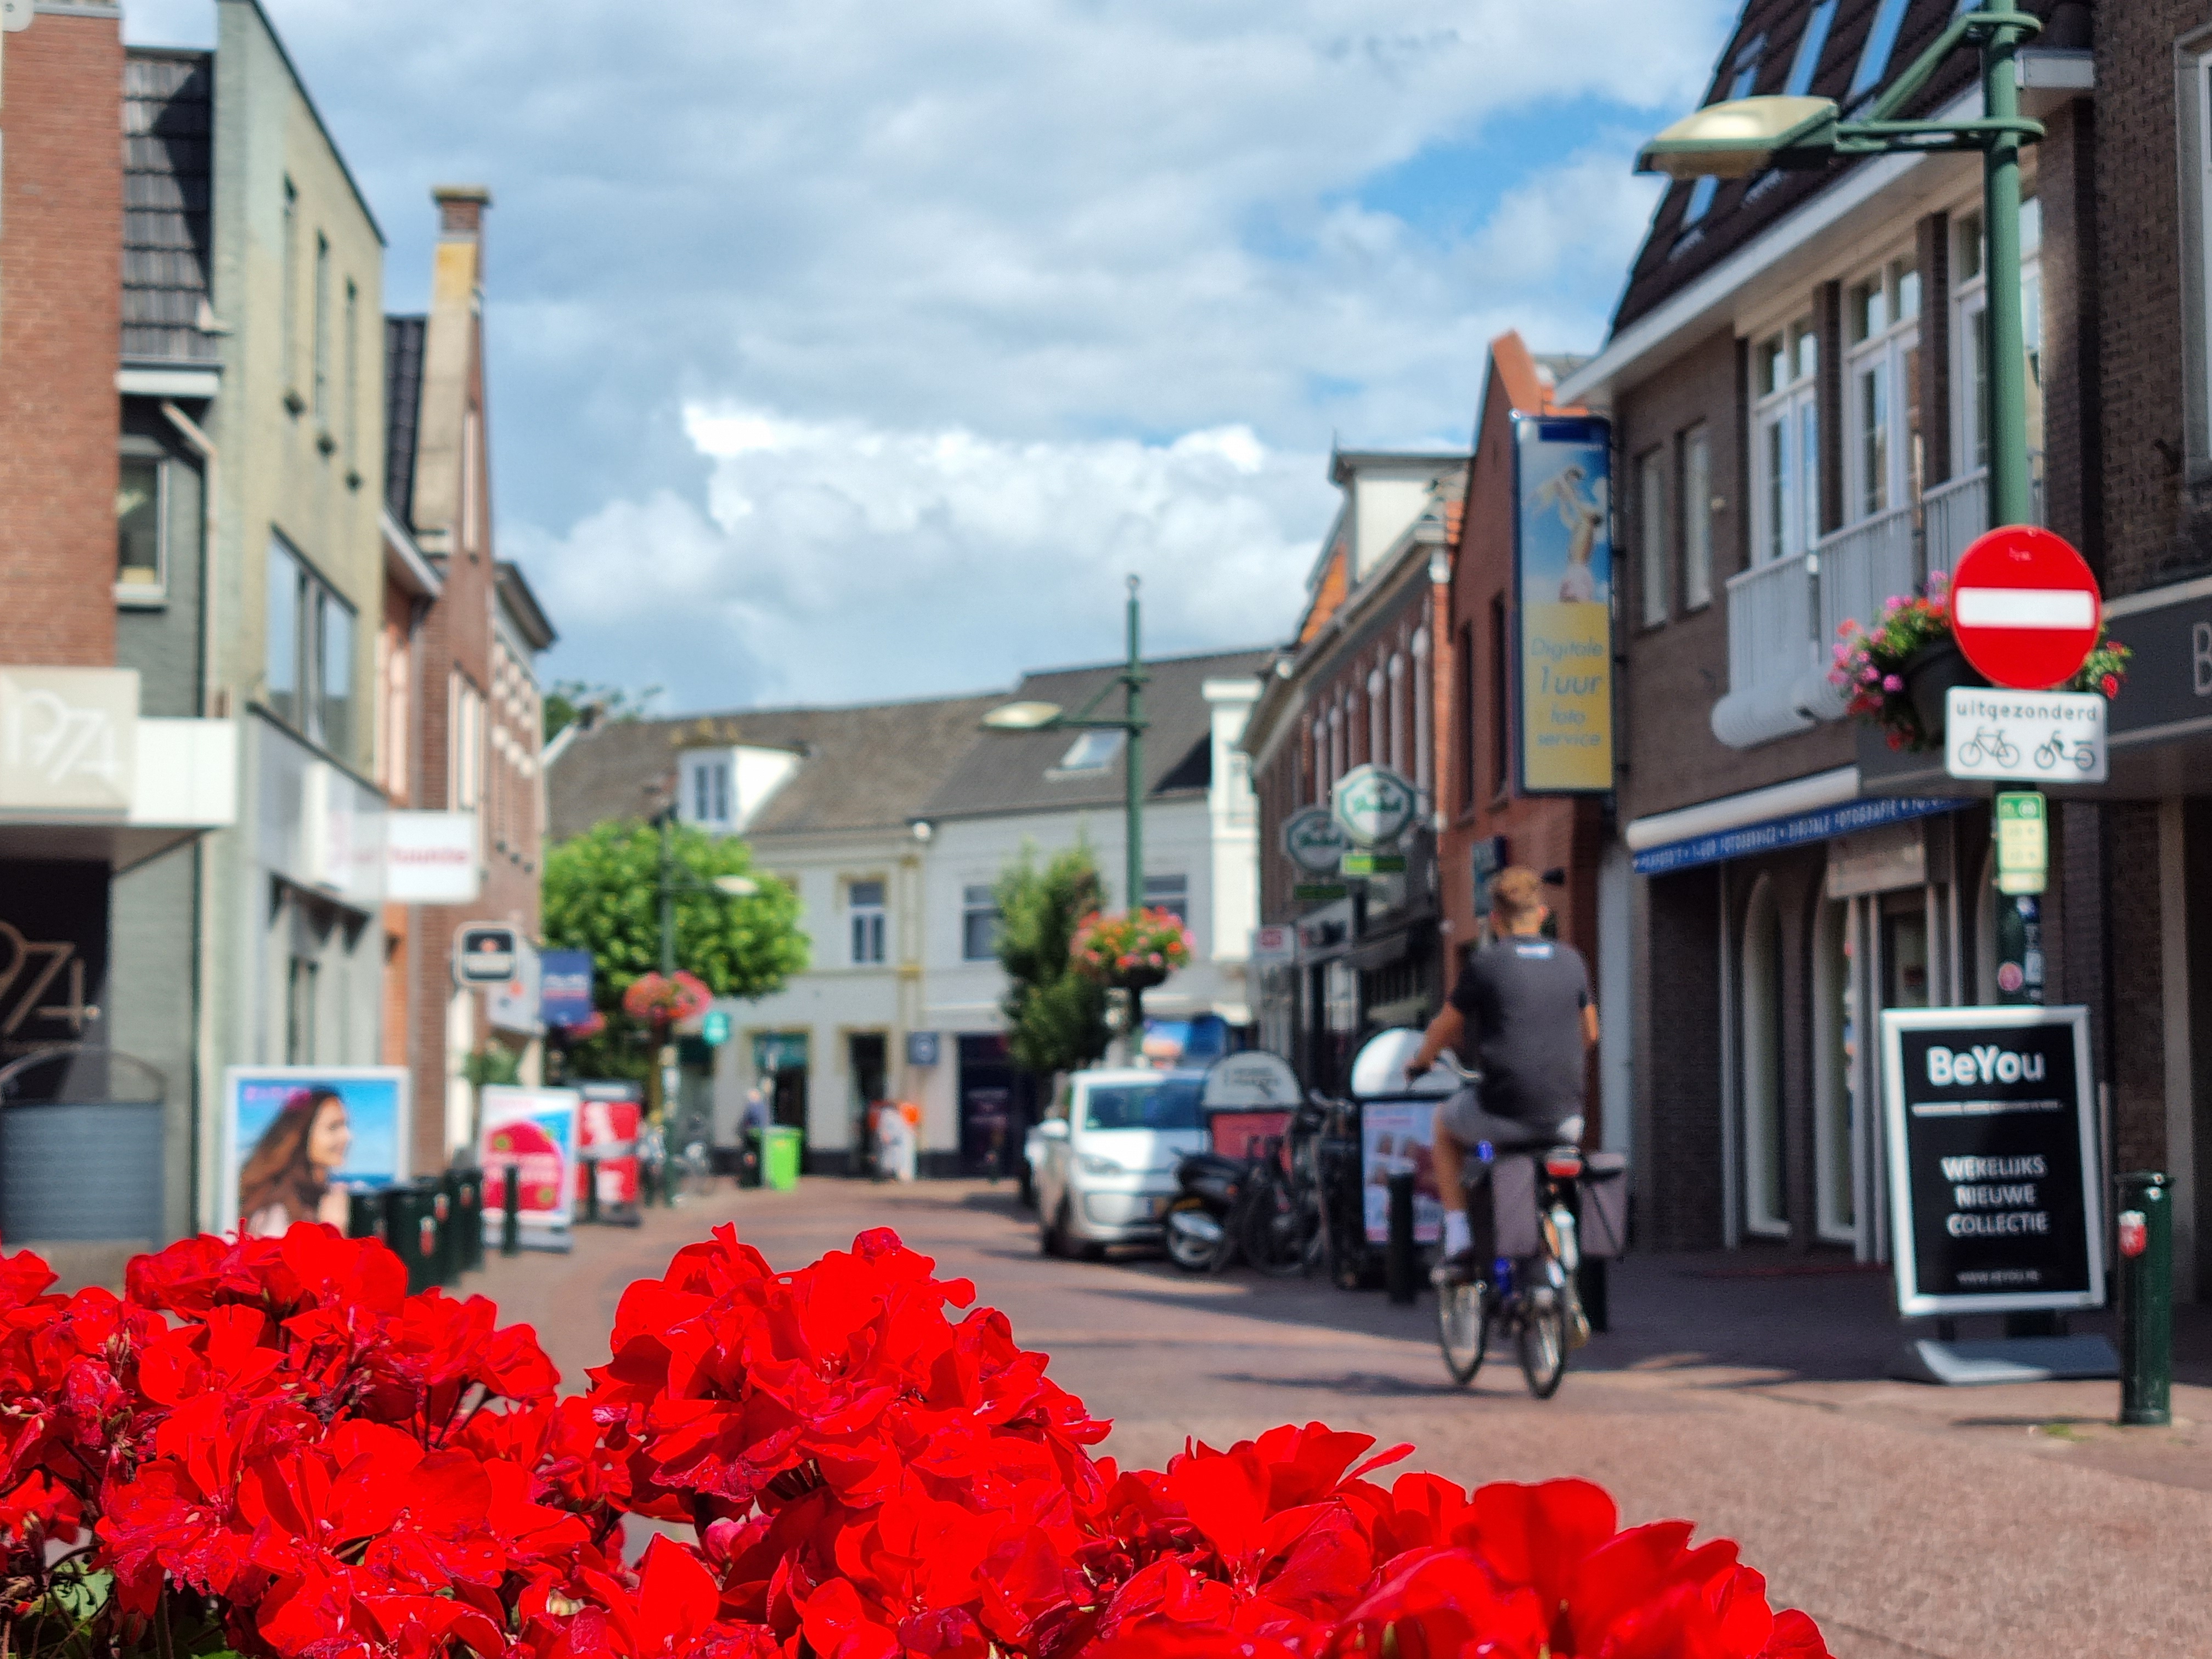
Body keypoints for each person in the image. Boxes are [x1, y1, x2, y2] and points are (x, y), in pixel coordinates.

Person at [1405, 867, 1598, 1282]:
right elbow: (1591, 1032)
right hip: (1567, 1118)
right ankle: (1556, 1252)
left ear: (1495, 920)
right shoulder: (1572, 961)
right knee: (1548, 1160)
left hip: (1504, 1112)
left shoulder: (1486, 963)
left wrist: (1421, 1062)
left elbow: (1445, 1027)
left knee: (1443, 1124)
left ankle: (1459, 1238)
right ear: (1542, 914)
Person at [238, 1087, 353, 1235]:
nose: (347, 1136)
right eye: (333, 1127)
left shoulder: (323, 1194)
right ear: (303, 1134)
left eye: (346, 1126)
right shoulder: (276, 1210)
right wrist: (332, 1231)